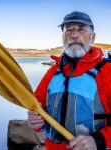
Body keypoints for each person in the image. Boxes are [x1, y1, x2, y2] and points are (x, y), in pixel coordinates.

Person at [27, 11, 111, 150]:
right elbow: (37, 109)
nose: (74, 35)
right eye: (69, 30)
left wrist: (99, 140)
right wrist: (36, 122)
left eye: (81, 29)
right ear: (63, 37)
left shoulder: (107, 72)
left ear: (93, 36)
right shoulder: (52, 73)